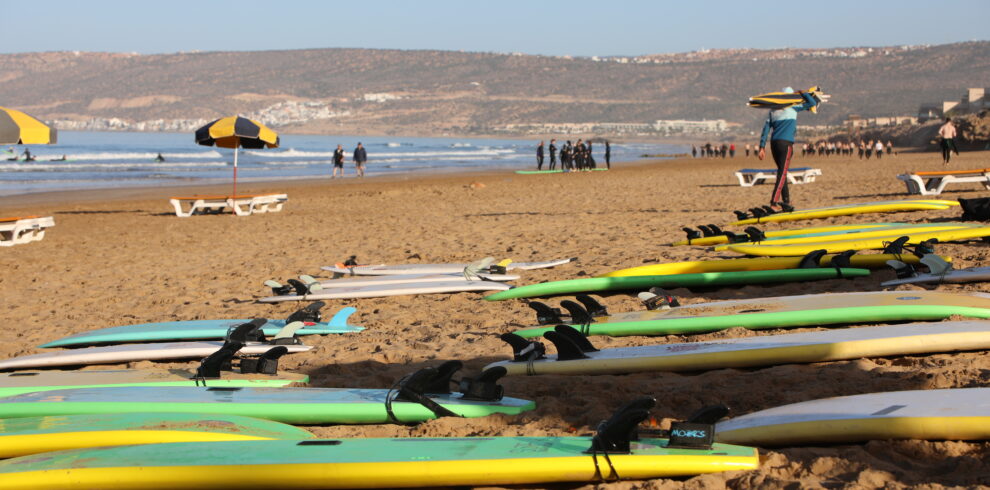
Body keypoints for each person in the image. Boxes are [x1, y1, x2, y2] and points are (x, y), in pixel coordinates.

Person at [758, 86, 819, 209]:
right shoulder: (793, 108)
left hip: (774, 144)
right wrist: (803, 93)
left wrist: (762, 147)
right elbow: (812, 103)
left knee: (782, 172)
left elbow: (765, 129)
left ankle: (786, 201)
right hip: (786, 144)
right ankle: (774, 202)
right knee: (782, 173)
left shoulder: (773, 111)